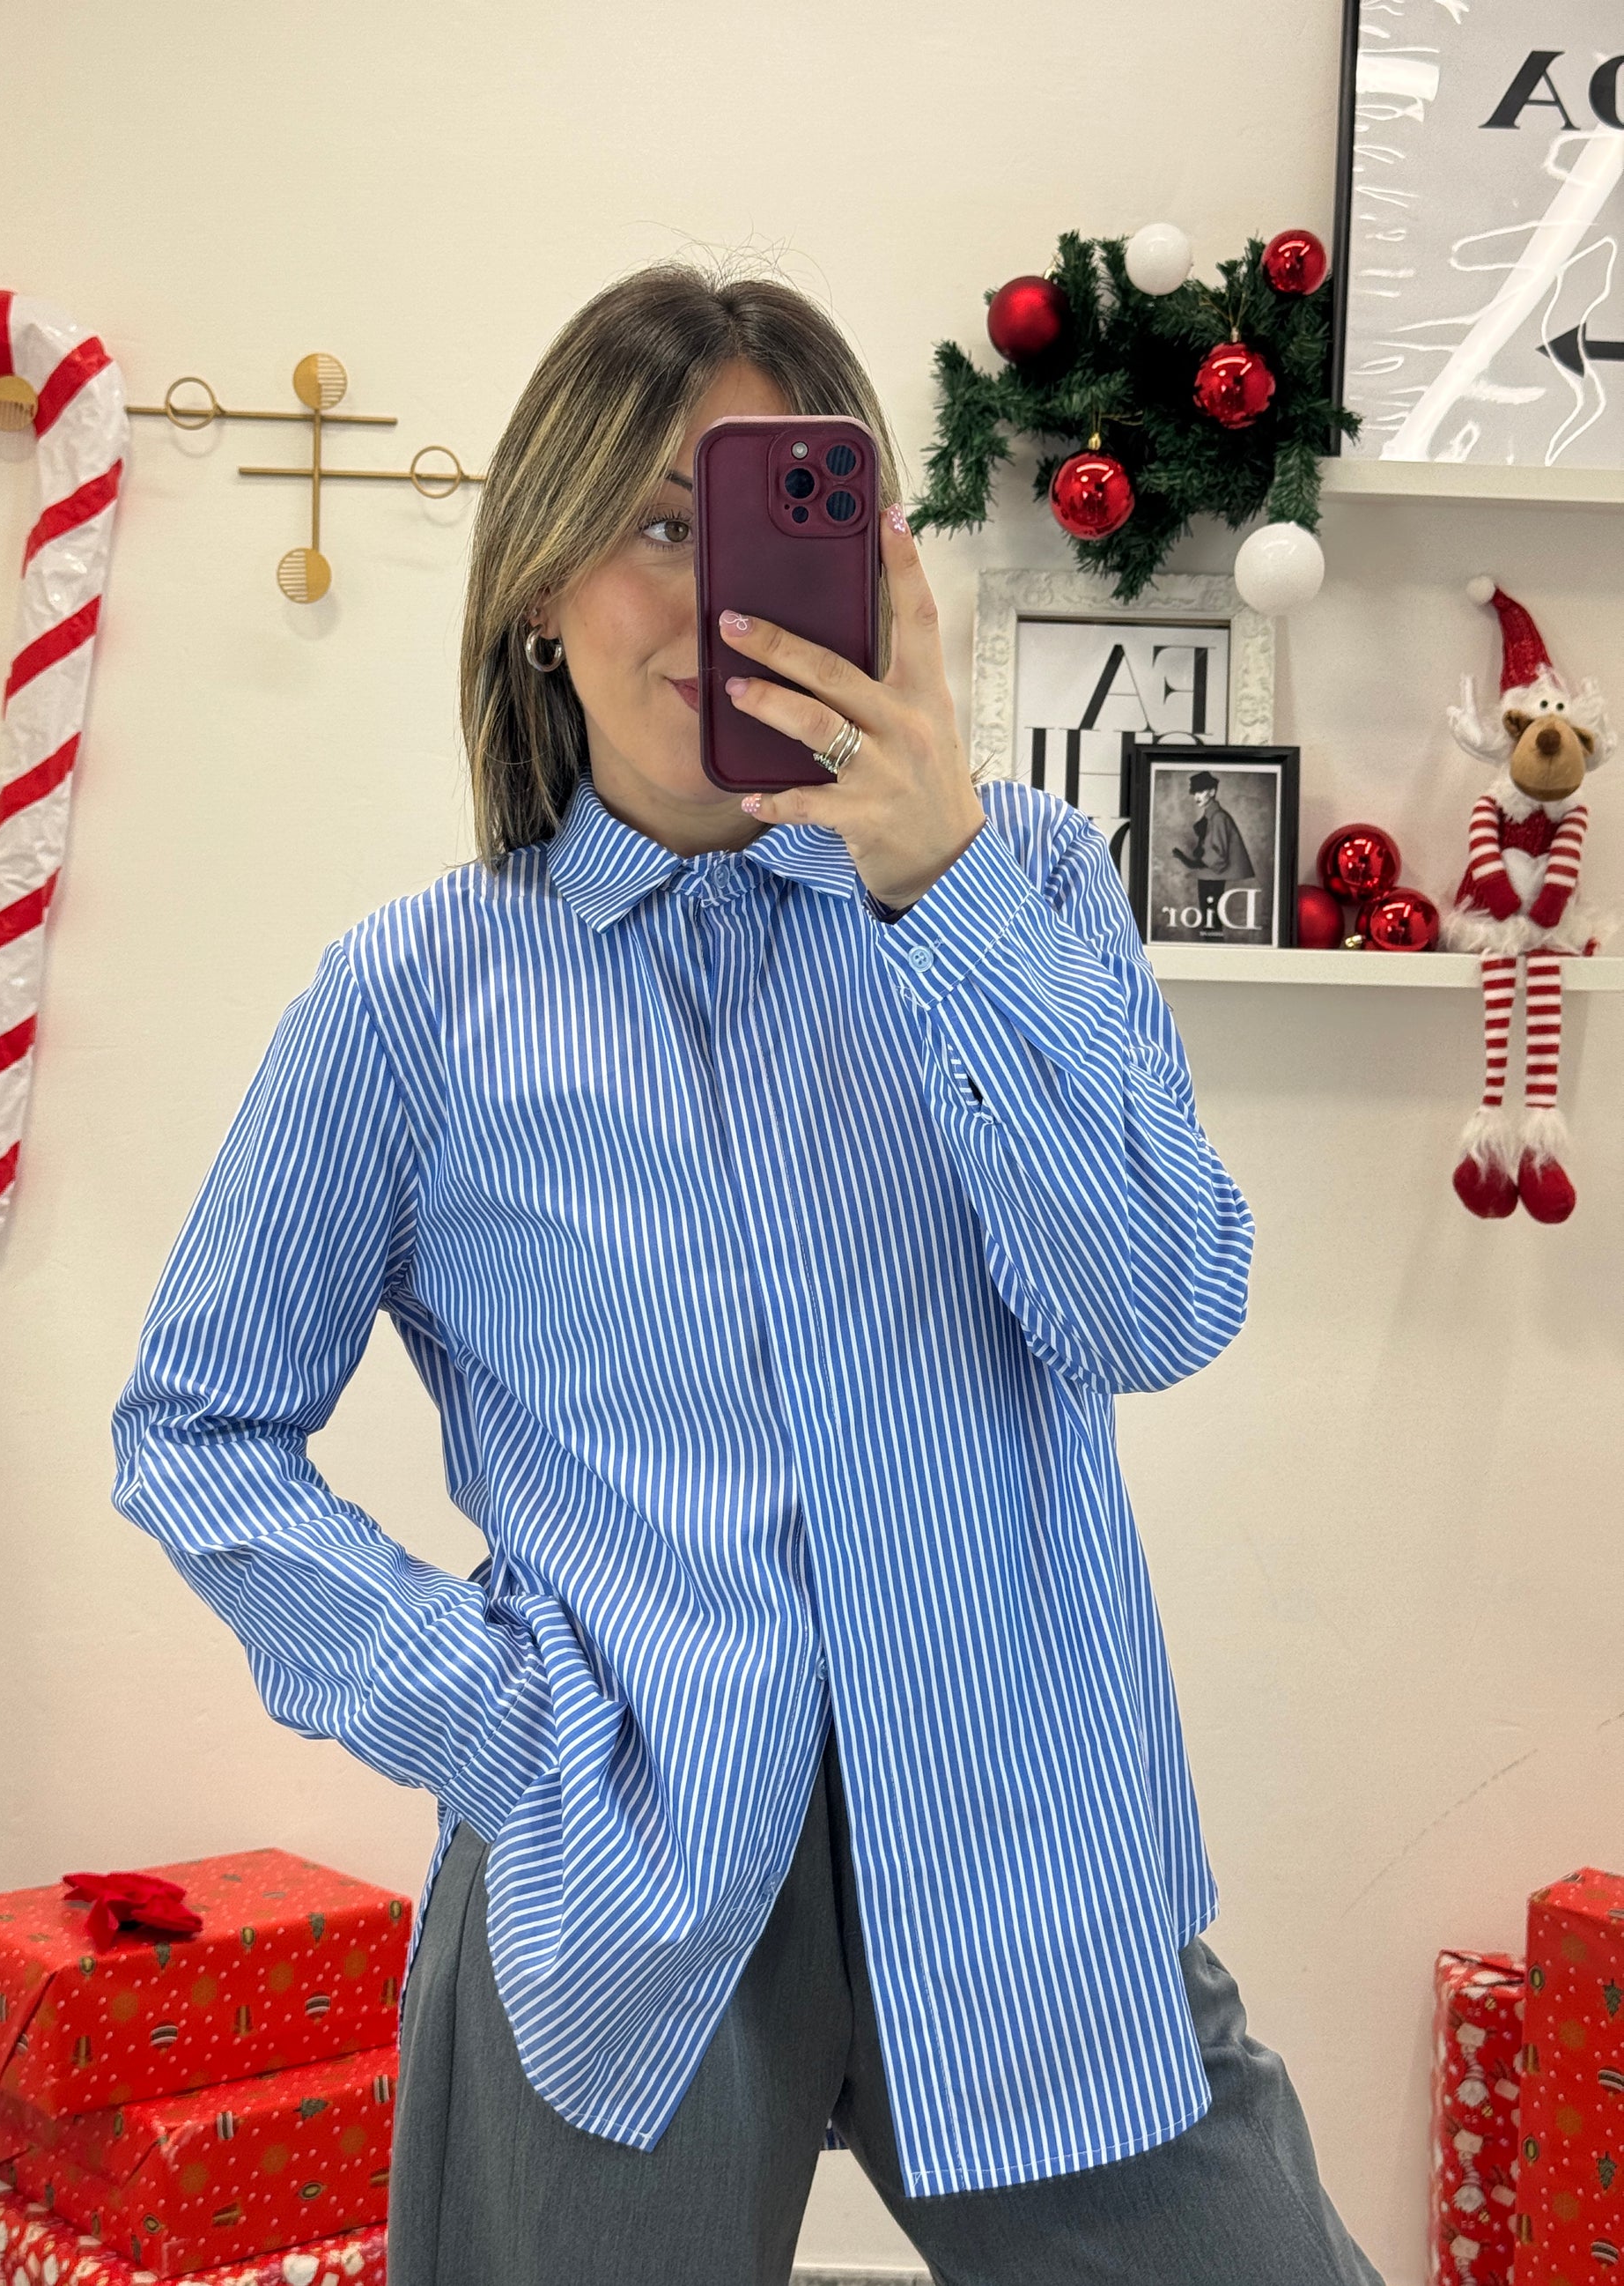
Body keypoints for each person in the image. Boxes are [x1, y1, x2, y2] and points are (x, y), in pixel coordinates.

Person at [109, 263, 1384, 2286]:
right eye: (652, 521)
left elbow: (1154, 1306)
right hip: (621, 1870)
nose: (718, 590)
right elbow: (195, 1427)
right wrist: (502, 1726)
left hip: (1032, 1849)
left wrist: (942, 884)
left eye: (776, 511)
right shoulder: (412, 999)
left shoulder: (1022, 885)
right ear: (538, 587)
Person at [1170, 768, 1257, 939]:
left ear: (1212, 792)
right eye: (1195, 792)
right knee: (1209, 922)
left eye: (1201, 791)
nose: (1197, 796)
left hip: (1213, 877)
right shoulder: (1211, 816)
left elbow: (1218, 856)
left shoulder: (1218, 817)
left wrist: (1190, 862)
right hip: (1208, 876)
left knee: (1211, 923)